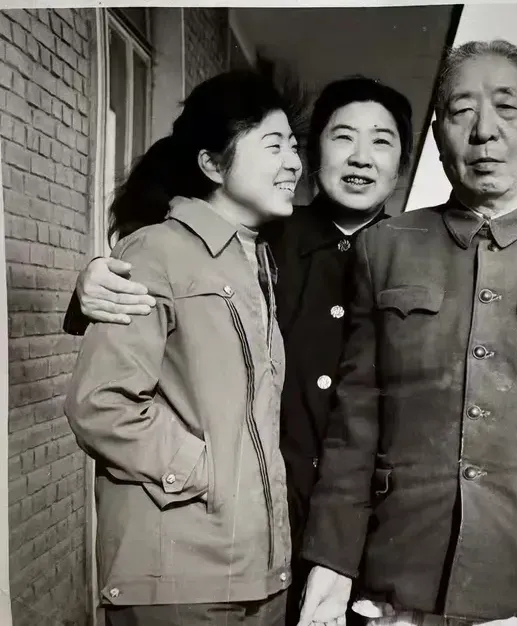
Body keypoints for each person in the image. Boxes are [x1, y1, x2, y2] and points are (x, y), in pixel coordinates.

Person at [63, 75, 517, 625]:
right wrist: (91, 285)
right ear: (313, 152)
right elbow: (165, 272)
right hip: (247, 535)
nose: (362, 157)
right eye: (342, 137)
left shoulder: (425, 253)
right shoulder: (255, 241)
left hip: (372, 552)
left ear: (406, 160)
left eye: (383, 141)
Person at [296, 40, 517, 626]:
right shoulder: (384, 248)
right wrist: (331, 561)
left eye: (507, 108)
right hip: (398, 575)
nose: (485, 132)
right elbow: (356, 423)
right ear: (437, 136)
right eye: (461, 112)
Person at [63, 68, 303, 626]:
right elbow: (101, 404)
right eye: (274, 145)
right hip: (177, 578)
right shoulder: (156, 251)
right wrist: (203, 471)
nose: (294, 162)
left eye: (294, 146)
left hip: (262, 576)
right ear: (212, 164)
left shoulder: (260, 257)